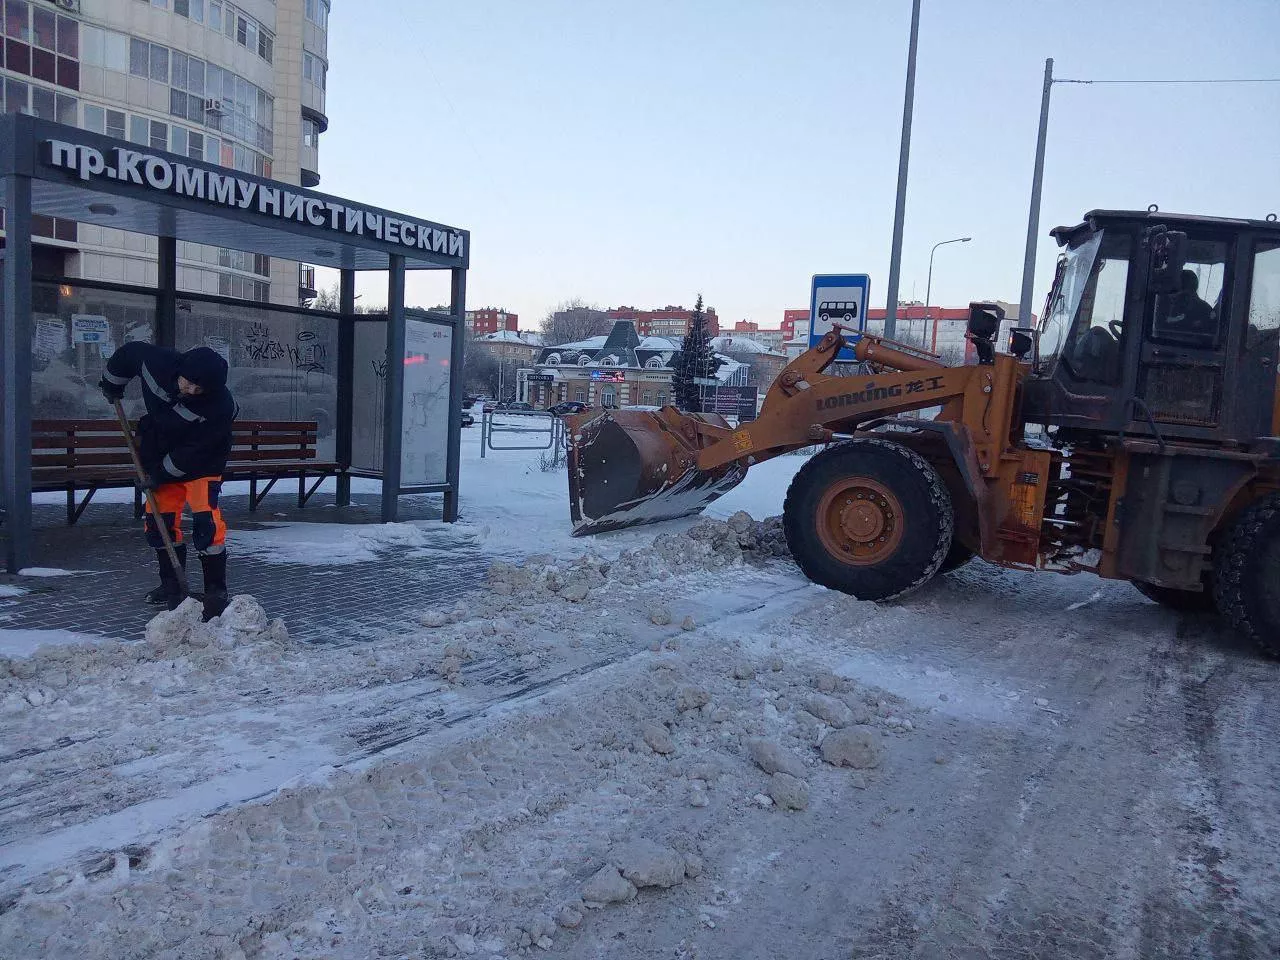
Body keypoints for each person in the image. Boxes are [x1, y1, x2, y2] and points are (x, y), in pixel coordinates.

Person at [98, 344, 236, 620]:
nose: (192, 391)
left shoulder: (221, 406)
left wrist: (159, 475)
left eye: (201, 389)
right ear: (181, 371)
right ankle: (171, 585)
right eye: (190, 384)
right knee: (159, 522)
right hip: (158, 451)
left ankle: (215, 591)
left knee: (206, 523)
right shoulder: (156, 363)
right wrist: (112, 383)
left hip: (202, 464)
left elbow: (195, 452)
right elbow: (129, 355)